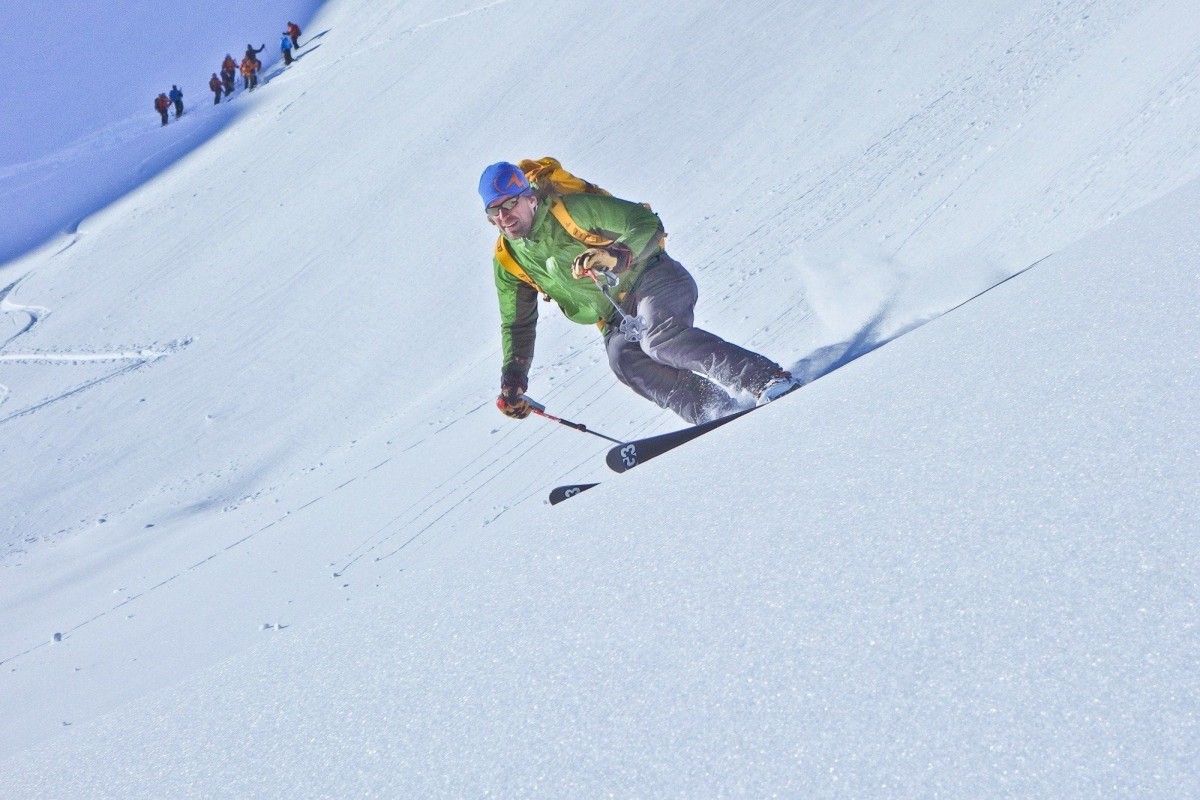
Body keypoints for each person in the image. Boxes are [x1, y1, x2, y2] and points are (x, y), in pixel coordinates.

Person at [481, 161, 799, 425]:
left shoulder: (572, 210)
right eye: (494, 212)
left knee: (659, 338)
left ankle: (767, 380)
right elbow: (517, 324)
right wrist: (513, 378)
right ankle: (716, 410)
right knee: (625, 360)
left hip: (654, 278)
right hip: (615, 317)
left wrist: (616, 256)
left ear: (531, 198)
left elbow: (646, 222)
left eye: (510, 203)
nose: (504, 216)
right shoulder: (509, 260)